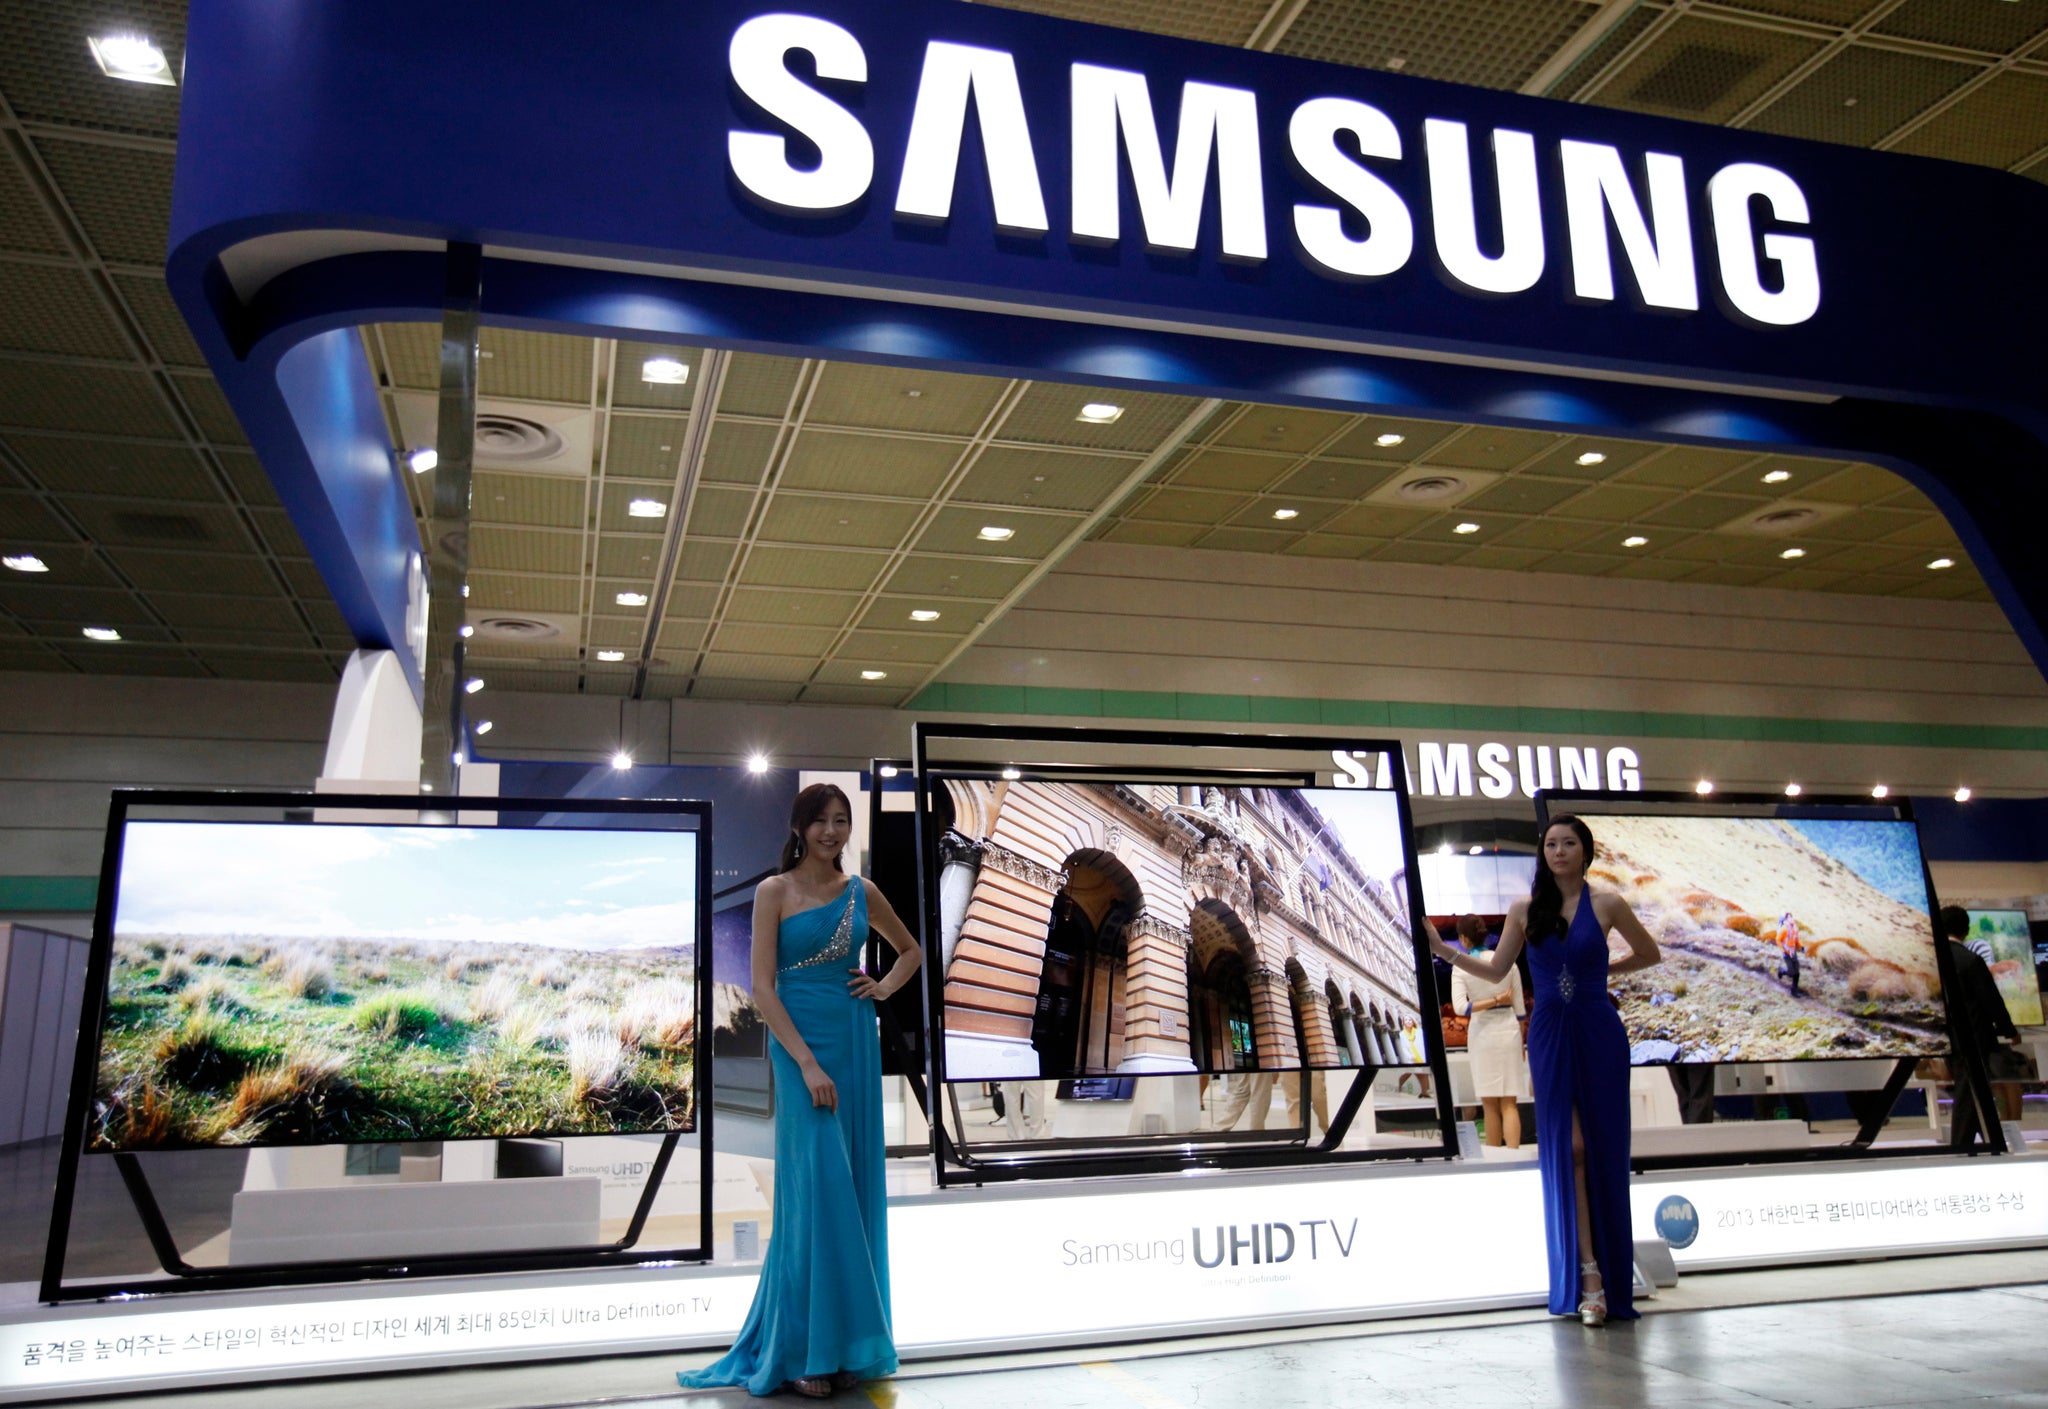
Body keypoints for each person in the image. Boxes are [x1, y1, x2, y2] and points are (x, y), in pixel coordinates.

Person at [678, 783, 923, 1398]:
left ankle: (844, 1348)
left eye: (842, 821)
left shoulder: (861, 892)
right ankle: (807, 1348)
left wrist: (884, 988)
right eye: (820, 821)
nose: (832, 832)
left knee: (850, 1191)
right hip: (798, 1049)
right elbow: (761, 988)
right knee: (815, 1191)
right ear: (799, 826)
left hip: (852, 1043)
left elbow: (912, 952)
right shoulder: (774, 891)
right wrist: (809, 1064)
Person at [1429, 815, 1661, 1327]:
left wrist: (1603, 975)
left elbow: (1650, 953)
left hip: (1599, 1031)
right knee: (1571, 1150)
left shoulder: (1608, 904)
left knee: (1604, 1150)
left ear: (1585, 851)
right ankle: (1588, 1276)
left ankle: (1608, 1280)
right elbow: (1494, 970)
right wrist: (1446, 953)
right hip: (1551, 1033)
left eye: (1568, 843)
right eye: (1551, 844)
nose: (1558, 851)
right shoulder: (1523, 910)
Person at [1939, 904, 2023, 1149]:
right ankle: (1961, 1147)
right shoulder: (1970, 960)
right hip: (1974, 1037)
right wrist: (2009, 1029)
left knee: (1971, 1091)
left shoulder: (1933, 959)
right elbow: (1990, 999)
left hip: (1944, 1037)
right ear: (1965, 930)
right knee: (1970, 1092)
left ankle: (1989, 1141)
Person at [1449, 915, 1525, 1149]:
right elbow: (1520, 1011)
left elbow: (1461, 1007)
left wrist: (1491, 1001)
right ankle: (1514, 1157)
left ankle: (1494, 1159)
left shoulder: (1461, 967)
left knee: (1489, 1105)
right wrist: (1521, 1044)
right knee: (1509, 1103)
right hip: (1509, 1030)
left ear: (1463, 938)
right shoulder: (1508, 963)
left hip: (1482, 1033)